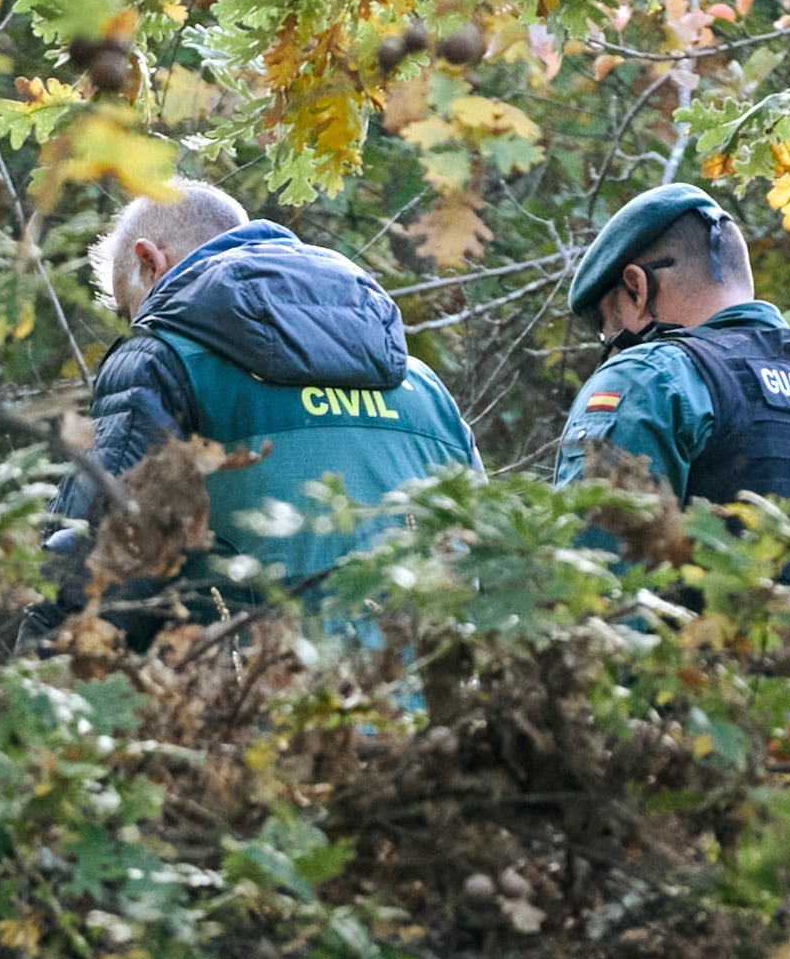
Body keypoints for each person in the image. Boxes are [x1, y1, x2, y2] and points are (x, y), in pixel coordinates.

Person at [39, 180, 478, 635]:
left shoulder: (158, 360)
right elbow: (488, 556)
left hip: (243, 691)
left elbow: (92, 556)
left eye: (129, 311)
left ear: (151, 261)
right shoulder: (426, 385)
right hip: (420, 693)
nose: (136, 325)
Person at [552, 181, 790, 661]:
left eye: (611, 334)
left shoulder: (653, 378)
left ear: (636, 287)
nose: (613, 352)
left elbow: (592, 601)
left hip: (717, 725)